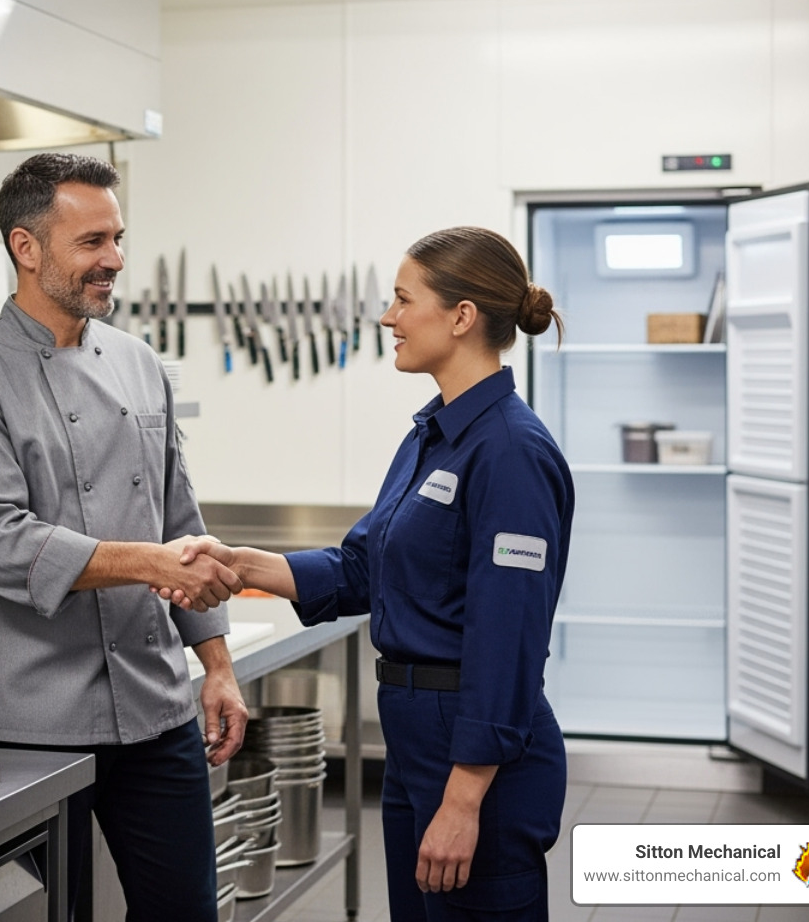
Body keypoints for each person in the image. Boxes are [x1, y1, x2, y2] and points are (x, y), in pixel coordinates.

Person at [169, 226, 574, 922]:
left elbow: (507, 640)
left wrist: (463, 798)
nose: (387, 317)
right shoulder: (433, 435)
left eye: (402, 299)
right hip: (417, 739)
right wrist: (242, 565)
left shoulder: (510, 451)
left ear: (461, 316)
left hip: (475, 752)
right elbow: (365, 567)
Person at [0, 151, 248, 921]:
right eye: (92, 243)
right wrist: (149, 563)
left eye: (117, 239)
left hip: (154, 706)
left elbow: (179, 520)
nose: (115, 261)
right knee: (47, 913)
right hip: (30, 720)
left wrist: (218, 665)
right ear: (25, 247)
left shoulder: (138, 364)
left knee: (184, 913)